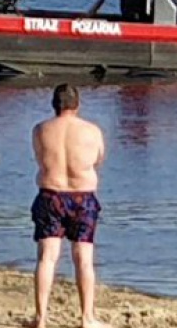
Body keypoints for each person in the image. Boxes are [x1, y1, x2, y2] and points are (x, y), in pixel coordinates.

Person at [30, 84, 108, 328]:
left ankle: (41, 318)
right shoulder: (91, 131)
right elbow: (98, 159)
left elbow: (40, 157)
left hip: (50, 195)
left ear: (54, 104)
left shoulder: (41, 129)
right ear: (77, 104)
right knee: (83, 259)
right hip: (81, 197)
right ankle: (87, 317)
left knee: (47, 258)